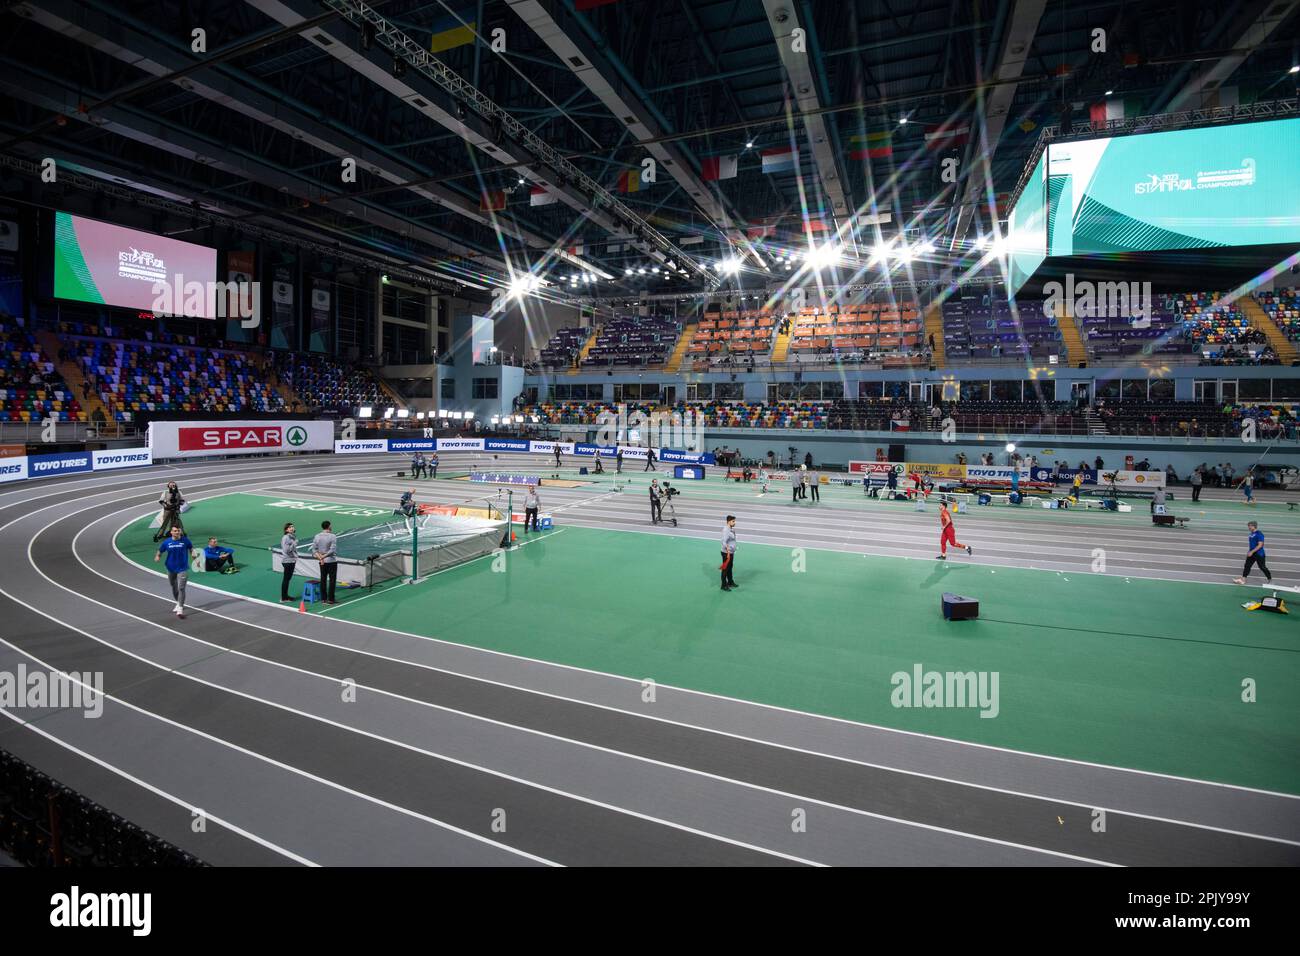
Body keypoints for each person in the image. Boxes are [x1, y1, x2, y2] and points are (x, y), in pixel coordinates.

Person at [154, 525, 193, 617]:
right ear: (171, 532)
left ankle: (180, 608)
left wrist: (193, 554)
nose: (177, 532)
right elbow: (160, 551)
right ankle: (178, 602)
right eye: (175, 531)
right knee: (173, 586)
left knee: (181, 588)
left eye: (178, 531)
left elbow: (191, 548)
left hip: (182, 568)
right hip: (170, 568)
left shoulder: (185, 540)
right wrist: (157, 556)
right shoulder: (166, 542)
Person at [1235, 521, 1272, 585]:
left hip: (1259, 554)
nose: (1248, 527)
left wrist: (1251, 552)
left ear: (1254, 526)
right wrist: (1250, 551)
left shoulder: (1259, 534)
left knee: (1262, 567)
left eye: (1250, 526)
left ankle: (1270, 579)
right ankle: (1243, 580)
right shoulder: (1251, 534)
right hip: (1252, 553)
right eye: (1248, 526)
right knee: (1247, 566)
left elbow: (1260, 545)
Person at [312, 520, 339, 605]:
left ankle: (323, 599)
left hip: (322, 561)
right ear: (329, 526)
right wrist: (323, 557)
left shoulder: (317, 536)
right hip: (331, 561)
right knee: (332, 580)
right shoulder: (333, 536)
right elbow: (332, 550)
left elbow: (314, 549)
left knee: (323, 579)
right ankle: (331, 599)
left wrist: (320, 558)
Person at [280, 522, 298, 602]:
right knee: (286, 579)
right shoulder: (286, 538)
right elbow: (286, 550)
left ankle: (286, 596)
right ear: (286, 529)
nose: (292, 528)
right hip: (287, 561)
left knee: (287, 579)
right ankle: (284, 598)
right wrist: (294, 544)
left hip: (291, 560)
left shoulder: (292, 537)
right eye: (290, 527)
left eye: (293, 527)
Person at [719, 515, 738, 591]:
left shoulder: (730, 529)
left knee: (730, 568)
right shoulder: (726, 530)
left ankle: (730, 582)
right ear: (729, 521)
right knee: (725, 569)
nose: (734, 522)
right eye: (733, 521)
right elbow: (723, 541)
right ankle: (723, 585)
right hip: (726, 553)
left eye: (734, 521)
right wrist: (728, 552)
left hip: (730, 552)